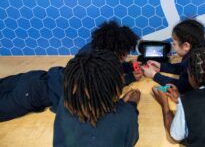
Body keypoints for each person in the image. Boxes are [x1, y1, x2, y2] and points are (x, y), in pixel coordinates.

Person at [0, 21, 142, 121]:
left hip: (36, 76)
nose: (125, 56)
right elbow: (103, 86)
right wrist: (129, 78)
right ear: (116, 51)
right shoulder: (96, 75)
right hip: (32, 95)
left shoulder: (92, 50)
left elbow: (107, 70)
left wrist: (129, 67)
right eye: (124, 53)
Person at [53, 49, 140, 147]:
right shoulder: (126, 116)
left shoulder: (64, 103)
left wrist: (120, 103)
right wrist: (131, 105)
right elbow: (130, 140)